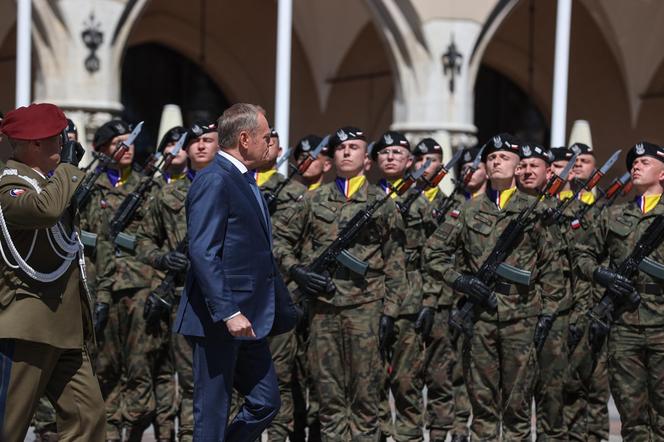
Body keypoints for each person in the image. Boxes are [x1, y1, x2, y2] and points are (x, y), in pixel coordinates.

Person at [422, 133, 564, 440]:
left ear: (517, 167)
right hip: (480, 320)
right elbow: (432, 254)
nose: (497, 161)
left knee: (517, 409)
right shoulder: (467, 211)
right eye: (491, 158)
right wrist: (461, 281)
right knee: (483, 407)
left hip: (522, 319)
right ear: (484, 168)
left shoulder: (534, 210)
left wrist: (547, 316)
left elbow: (552, 269)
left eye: (504, 157)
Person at [272, 126, 408, 442]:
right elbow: (279, 240)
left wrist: (390, 313)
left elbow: (396, 263)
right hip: (323, 311)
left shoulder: (382, 202)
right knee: (329, 398)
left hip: (366, 309)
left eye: (355, 147)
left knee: (365, 398)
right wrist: (298, 271)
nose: (347, 152)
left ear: (367, 160)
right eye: (341, 148)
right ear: (331, 158)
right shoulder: (312, 200)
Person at [174, 103, 297, 441]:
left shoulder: (242, 179)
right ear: (245, 139)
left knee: (265, 402)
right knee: (211, 416)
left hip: (251, 318)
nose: (270, 142)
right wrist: (228, 311)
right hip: (221, 318)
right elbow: (202, 250)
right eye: (266, 135)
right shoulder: (214, 179)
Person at [0, 102, 105, 441]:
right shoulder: (10, 184)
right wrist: (69, 170)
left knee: (88, 418)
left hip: (65, 323)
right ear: (33, 144)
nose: (63, 144)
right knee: (9, 426)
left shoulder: (48, 182)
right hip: (28, 324)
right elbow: (44, 210)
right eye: (56, 138)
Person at [574, 141, 664, 440]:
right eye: (633, 163)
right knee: (632, 415)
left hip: (662, 324)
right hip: (624, 326)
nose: (636, 166)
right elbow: (582, 253)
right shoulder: (613, 215)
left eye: (645, 162)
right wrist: (602, 275)